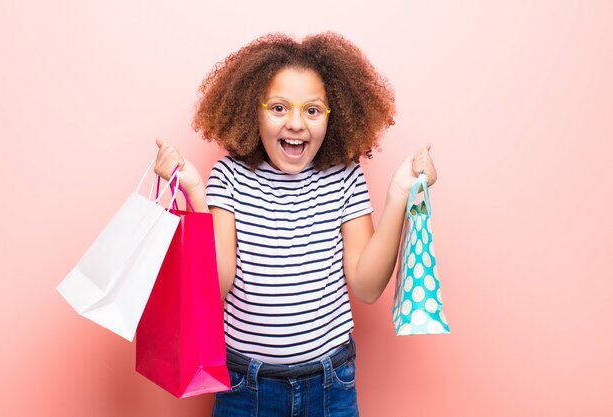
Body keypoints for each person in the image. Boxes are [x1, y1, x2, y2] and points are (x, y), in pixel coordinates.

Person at [153, 32, 436, 417]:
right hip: (245, 388)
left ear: (333, 116)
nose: (297, 123)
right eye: (279, 108)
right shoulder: (229, 178)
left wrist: (399, 195)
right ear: (254, 110)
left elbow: (367, 287)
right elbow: (215, 285)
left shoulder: (344, 177)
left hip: (330, 385)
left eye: (313, 110)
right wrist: (196, 194)